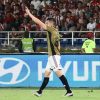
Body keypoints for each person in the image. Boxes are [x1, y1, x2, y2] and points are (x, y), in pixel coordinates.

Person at [25, 7, 73, 97]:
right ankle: (40, 92)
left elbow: (38, 21)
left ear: (51, 24)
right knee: (47, 73)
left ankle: (69, 91)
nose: (45, 24)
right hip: (53, 56)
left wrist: (29, 13)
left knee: (59, 72)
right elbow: (58, 45)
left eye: (46, 23)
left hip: (54, 56)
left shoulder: (51, 30)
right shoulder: (56, 31)